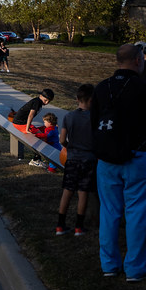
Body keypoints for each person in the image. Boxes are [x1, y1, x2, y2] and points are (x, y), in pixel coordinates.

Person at [91, 43, 146, 282]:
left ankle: (109, 264)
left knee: (109, 211)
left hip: (107, 159)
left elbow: (94, 124)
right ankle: (135, 267)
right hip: (137, 157)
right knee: (137, 213)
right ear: (137, 61)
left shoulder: (101, 88)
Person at [56, 84, 96, 236]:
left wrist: (69, 147)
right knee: (83, 192)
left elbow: (61, 140)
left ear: (77, 99)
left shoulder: (69, 116)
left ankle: (60, 225)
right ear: (93, 100)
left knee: (67, 191)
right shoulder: (95, 118)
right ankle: (79, 227)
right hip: (89, 159)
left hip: (72, 159)